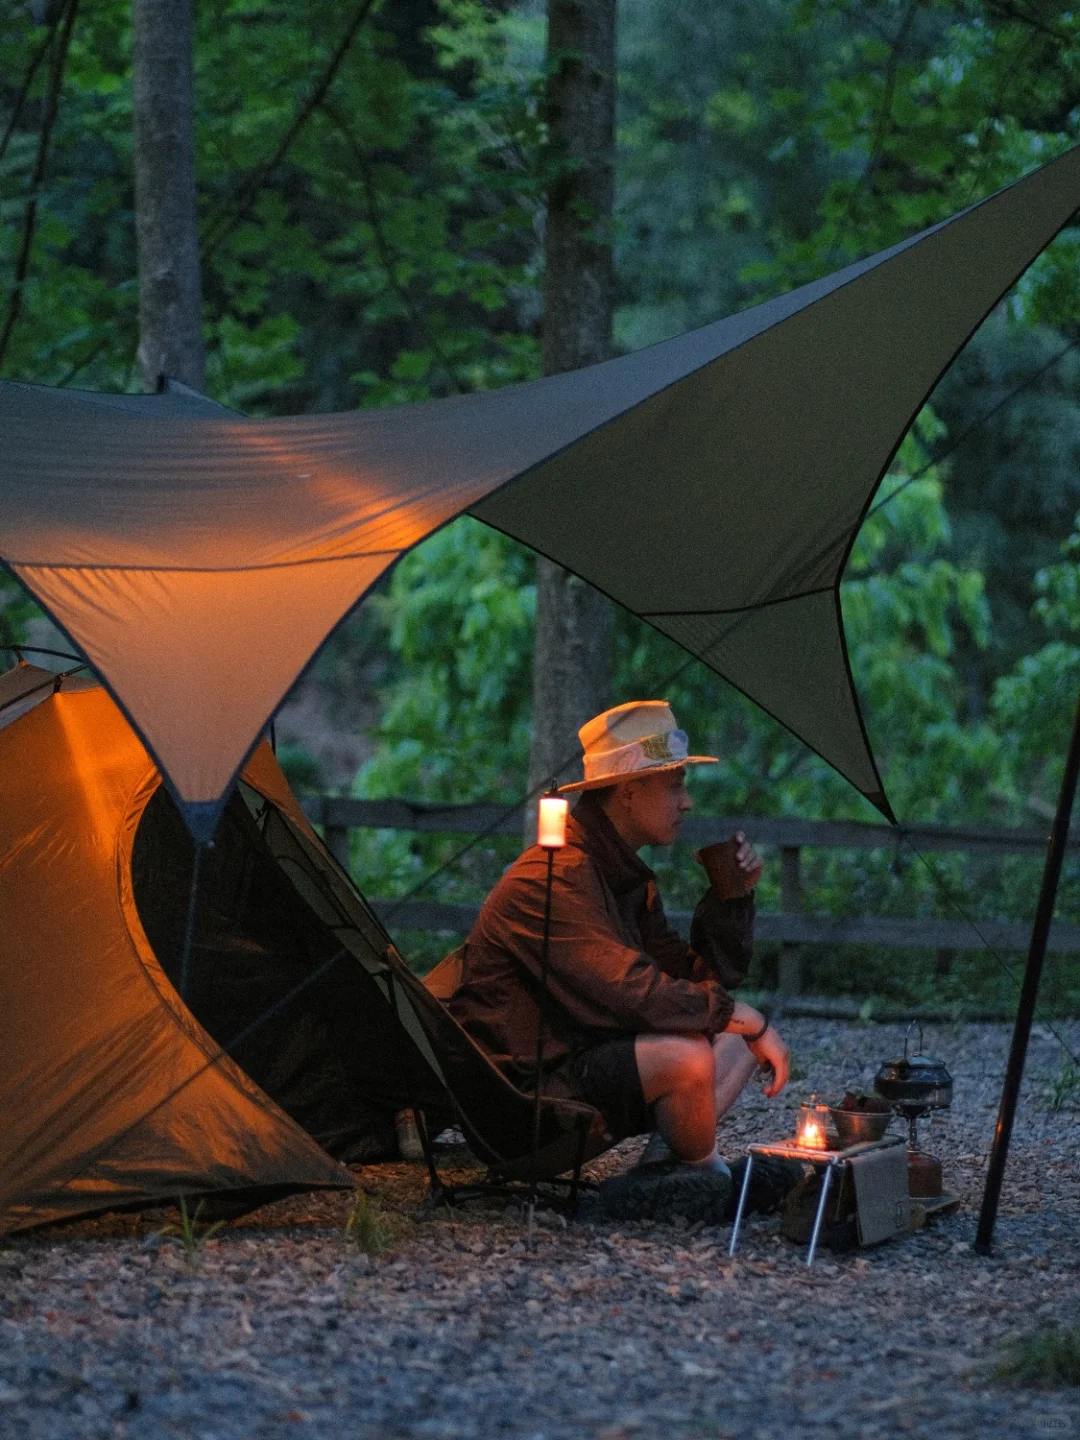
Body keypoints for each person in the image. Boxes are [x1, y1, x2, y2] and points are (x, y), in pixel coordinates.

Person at [448, 700, 790, 1175]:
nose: (686, 802)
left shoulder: (622, 875)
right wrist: (743, 1017)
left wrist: (730, 898)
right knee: (692, 1052)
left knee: (732, 1039)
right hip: (525, 1103)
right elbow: (630, 990)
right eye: (674, 785)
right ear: (628, 792)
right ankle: (702, 1180)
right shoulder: (555, 874)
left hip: (579, 1068)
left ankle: (676, 1169)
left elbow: (696, 982)